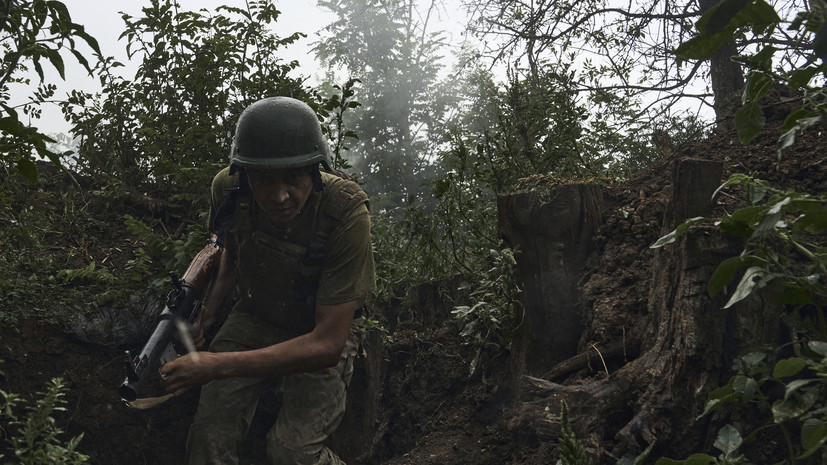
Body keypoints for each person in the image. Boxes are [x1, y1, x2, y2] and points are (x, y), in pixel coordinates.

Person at [160, 96, 376, 465]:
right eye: (263, 181)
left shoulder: (345, 211)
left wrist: (217, 364)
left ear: (315, 171)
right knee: (208, 439)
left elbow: (326, 344)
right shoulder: (227, 190)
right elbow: (230, 252)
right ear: (245, 176)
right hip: (255, 316)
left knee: (291, 452)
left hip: (319, 328)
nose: (279, 197)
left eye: (293, 178)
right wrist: (205, 317)